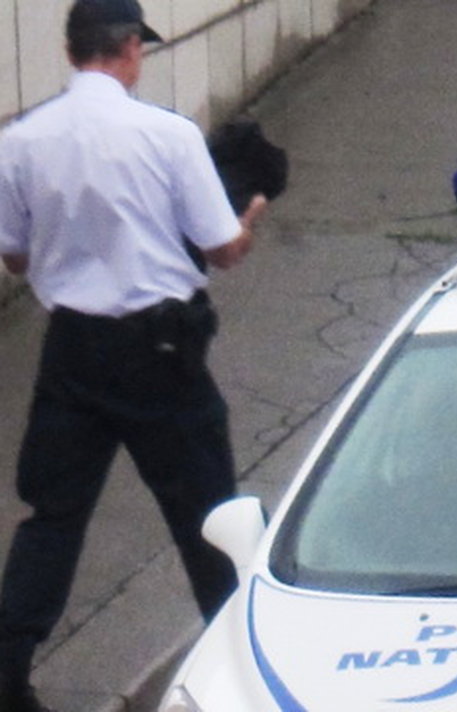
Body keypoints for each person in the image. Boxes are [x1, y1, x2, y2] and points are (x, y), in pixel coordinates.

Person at [0, 1, 267, 709]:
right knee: (207, 515)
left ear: (69, 52)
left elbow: (16, 258)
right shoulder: (169, 135)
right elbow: (221, 249)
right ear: (128, 48)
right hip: (161, 351)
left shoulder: (20, 141)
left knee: (53, 516)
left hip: (72, 350)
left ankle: (7, 671)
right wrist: (248, 220)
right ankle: (240, 665)